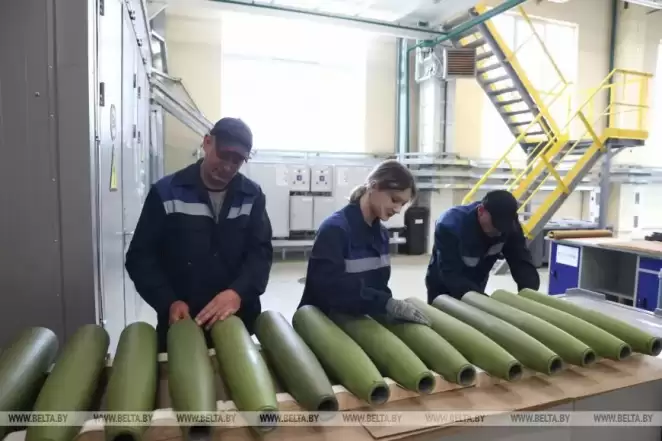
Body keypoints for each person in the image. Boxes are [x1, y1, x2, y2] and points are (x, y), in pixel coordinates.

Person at [125, 117, 273, 351]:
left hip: (235, 319)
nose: (228, 167)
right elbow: (140, 257)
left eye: (237, 160)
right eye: (224, 155)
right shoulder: (166, 193)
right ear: (207, 143)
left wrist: (237, 293)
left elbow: (260, 254)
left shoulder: (252, 196)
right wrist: (168, 302)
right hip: (182, 322)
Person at [298, 160, 430, 325]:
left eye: (402, 204)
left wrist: (390, 307)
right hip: (322, 323)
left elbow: (378, 286)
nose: (397, 210)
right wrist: (385, 303)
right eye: (394, 199)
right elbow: (328, 289)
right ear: (374, 186)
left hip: (359, 319)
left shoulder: (381, 235)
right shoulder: (335, 229)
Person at [425, 189, 540, 303]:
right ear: (481, 211)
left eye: (502, 228)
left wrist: (529, 295)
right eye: (495, 225)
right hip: (443, 285)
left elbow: (521, 262)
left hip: (476, 282)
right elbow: (450, 273)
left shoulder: (509, 227)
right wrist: (483, 301)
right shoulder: (450, 226)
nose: (499, 232)